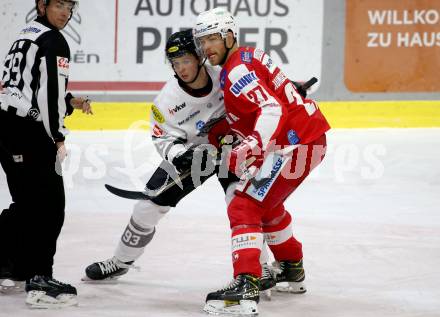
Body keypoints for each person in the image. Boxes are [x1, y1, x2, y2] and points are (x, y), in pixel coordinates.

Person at [83, 30, 279, 294]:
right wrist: (179, 154)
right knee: (146, 208)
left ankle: (261, 267)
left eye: (186, 60)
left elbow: (261, 97)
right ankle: (120, 261)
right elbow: (161, 137)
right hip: (193, 153)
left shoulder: (224, 78)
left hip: (232, 148)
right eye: (175, 64)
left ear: (199, 58)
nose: (182, 68)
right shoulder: (167, 101)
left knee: (241, 203)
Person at [194, 7, 331, 315]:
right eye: (202, 42)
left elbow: (271, 109)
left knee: (244, 204)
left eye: (212, 39)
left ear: (229, 36)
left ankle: (246, 285)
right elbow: (272, 98)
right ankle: (290, 267)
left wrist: (254, 145)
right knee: (266, 203)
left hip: (296, 142)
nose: (206, 48)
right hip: (308, 137)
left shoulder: (237, 70)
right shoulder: (245, 58)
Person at [0, 0, 92, 308]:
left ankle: (7, 264)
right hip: (28, 133)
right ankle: (40, 280)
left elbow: (26, 88)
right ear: (42, 5)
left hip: (6, 128)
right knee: (50, 205)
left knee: (26, 202)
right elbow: (47, 95)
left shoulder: (25, 34)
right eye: (59, 4)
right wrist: (58, 136)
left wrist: (70, 102)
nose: (65, 12)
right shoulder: (54, 41)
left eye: (70, 6)